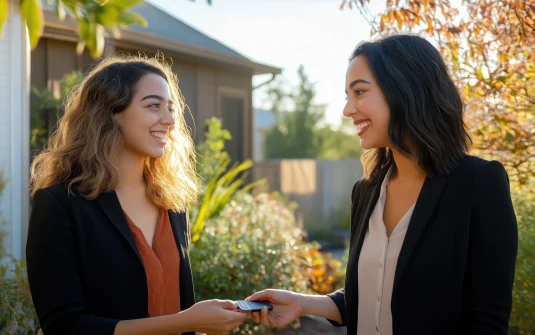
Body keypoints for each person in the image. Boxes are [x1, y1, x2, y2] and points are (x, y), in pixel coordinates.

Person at [246, 34, 518, 335]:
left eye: (359, 92)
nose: (348, 110)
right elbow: (372, 296)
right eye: (347, 96)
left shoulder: (479, 184)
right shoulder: (366, 192)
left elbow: (489, 321)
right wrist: (302, 303)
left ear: (405, 89)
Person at [26, 55, 247, 335]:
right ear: (108, 113)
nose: (169, 120)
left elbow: (173, 304)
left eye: (170, 108)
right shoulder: (60, 205)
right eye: (153, 106)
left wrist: (205, 323)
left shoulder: (172, 203)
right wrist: (189, 321)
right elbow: (64, 326)